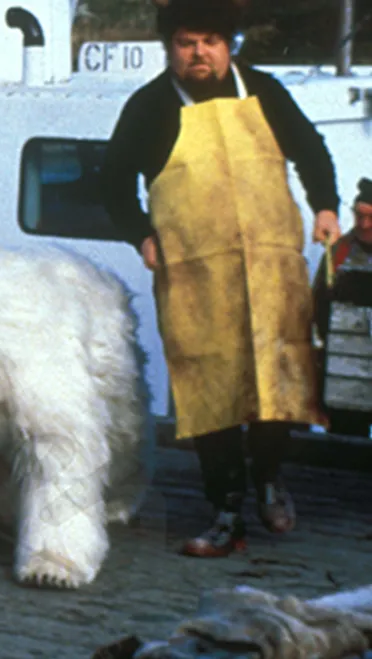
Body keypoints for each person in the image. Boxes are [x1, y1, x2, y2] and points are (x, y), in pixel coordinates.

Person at [99, 0, 342, 558]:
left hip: (273, 266)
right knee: (211, 390)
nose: (199, 52)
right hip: (195, 275)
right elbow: (111, 184)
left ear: (228, 44)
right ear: (171, 48)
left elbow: (310, 150)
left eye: (211, 40)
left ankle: (269, 480)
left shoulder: (265, 90)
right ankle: (225, 510)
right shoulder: (149, 106)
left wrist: (325, 206)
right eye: (187, 42)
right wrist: (142, 234)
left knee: (280, 377)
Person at [311, 177, 372, 438]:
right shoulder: (339, 252)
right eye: (359, 215)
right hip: (345, 364)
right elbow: (318, 302)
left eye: (371, 217)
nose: (364, 224)